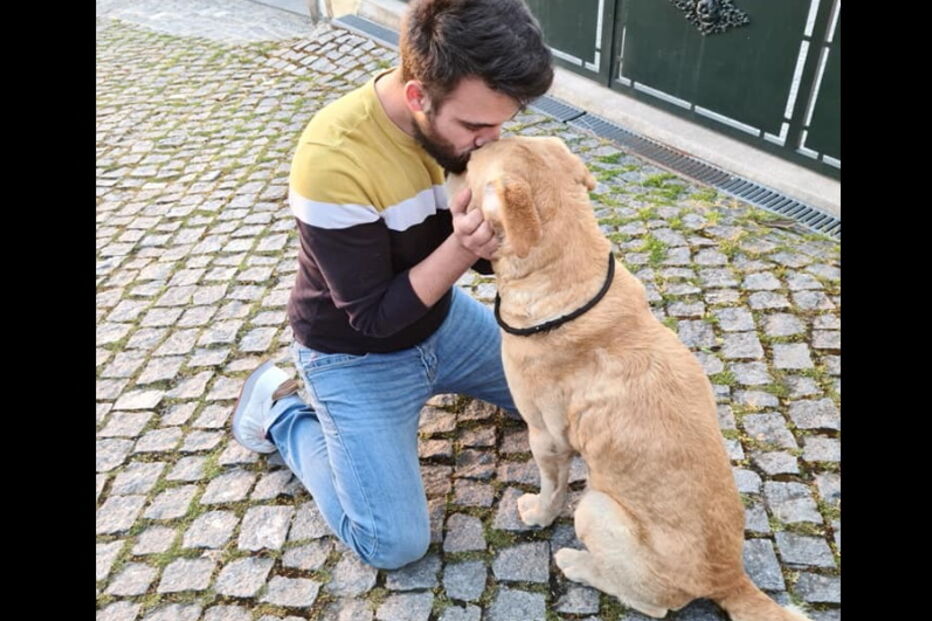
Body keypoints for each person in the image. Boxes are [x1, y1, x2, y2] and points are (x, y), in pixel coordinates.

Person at [231, 0, 553, 570]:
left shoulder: (465, 131)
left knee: (557, 408)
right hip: (354, 356)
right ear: (417, 98)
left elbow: (482, 265)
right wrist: (464, 245)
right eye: (476, 126)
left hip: (444, 322)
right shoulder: (333, 158)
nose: (491, 140)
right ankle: (281, 410)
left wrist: (506, 233)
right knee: (394, 545)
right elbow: (374, 317)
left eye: (503, 123)